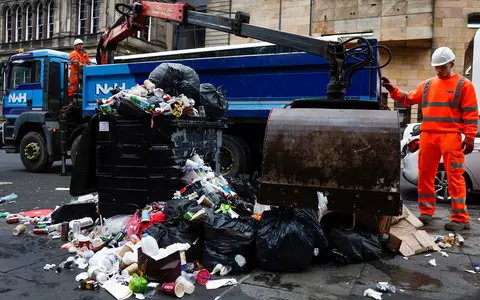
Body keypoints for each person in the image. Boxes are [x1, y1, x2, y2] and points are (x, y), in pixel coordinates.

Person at [382, 46, 479, 231]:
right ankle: (426, 212)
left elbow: (471, 113)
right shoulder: (427, 85)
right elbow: (408, 99)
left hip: (451, 136)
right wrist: (392, 90)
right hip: (428, 135)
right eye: (436, 67)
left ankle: (461, 218)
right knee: (425, 174)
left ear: (451, 64)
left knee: (455, 177)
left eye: (442, 66)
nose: (438, 70)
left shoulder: (464, 85)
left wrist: (470, 137)